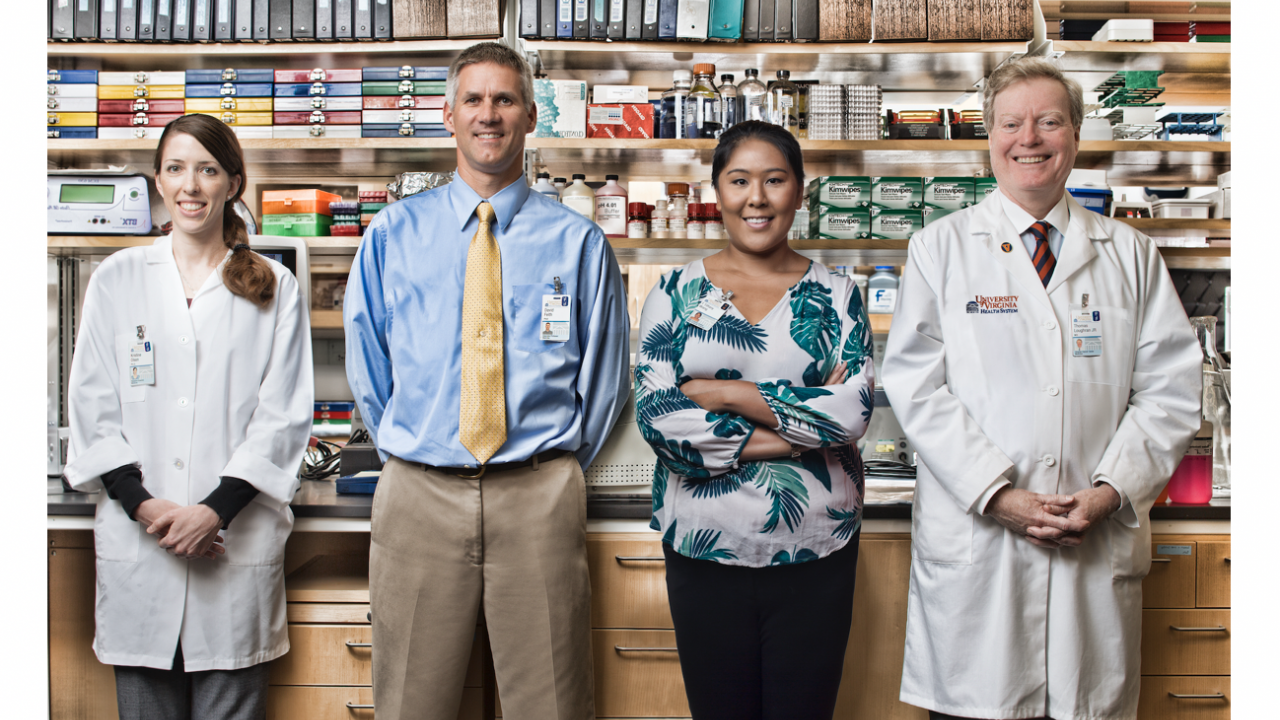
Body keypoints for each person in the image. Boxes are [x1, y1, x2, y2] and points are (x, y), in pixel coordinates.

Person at [881, 57, 1202, 720]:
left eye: (1049, 121)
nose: (1029, 138)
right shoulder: (938, 249)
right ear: (989, 138)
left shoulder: (1130, 254)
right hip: (981, 557)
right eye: (1011, 123)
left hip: (1094, 542)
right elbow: (916, 386)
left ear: (1076, 136)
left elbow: (1169, 391)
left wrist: (1112, 491)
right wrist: (994, 493)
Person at [344, 42, 630, 720]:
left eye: (504, 99)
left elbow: (607, 380)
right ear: (448, 115)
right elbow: (369, 364)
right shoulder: (393, 234)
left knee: (552, 705)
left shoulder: (579, 243)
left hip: (537, 494)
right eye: (473, 99)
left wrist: (550, 468)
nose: (488, 114)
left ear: (531, 115)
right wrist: (411, 454)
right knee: (412, 702)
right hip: (419, 494)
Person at [64, 113, 314, 720]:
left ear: (233, 182)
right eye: (176, 169)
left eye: (207, 170)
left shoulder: (274, 287)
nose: (190, 186)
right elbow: (92, 407)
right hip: (139, 542)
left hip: (232, 542)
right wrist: (146, 507)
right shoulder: (117, 278)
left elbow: (282, 418)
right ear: (158, 179)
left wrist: (213, 512)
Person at [635, 121, 875, 720]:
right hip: (703, 551)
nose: (757, 198)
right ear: (718, 191)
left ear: (799, 190)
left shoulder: (839, 294)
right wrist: (796, 436)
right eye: (739, 181)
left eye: (774, 180)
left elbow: (851, 412)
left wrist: (727, 392)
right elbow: (659, 418)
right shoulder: (675, 293)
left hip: (816, 550)